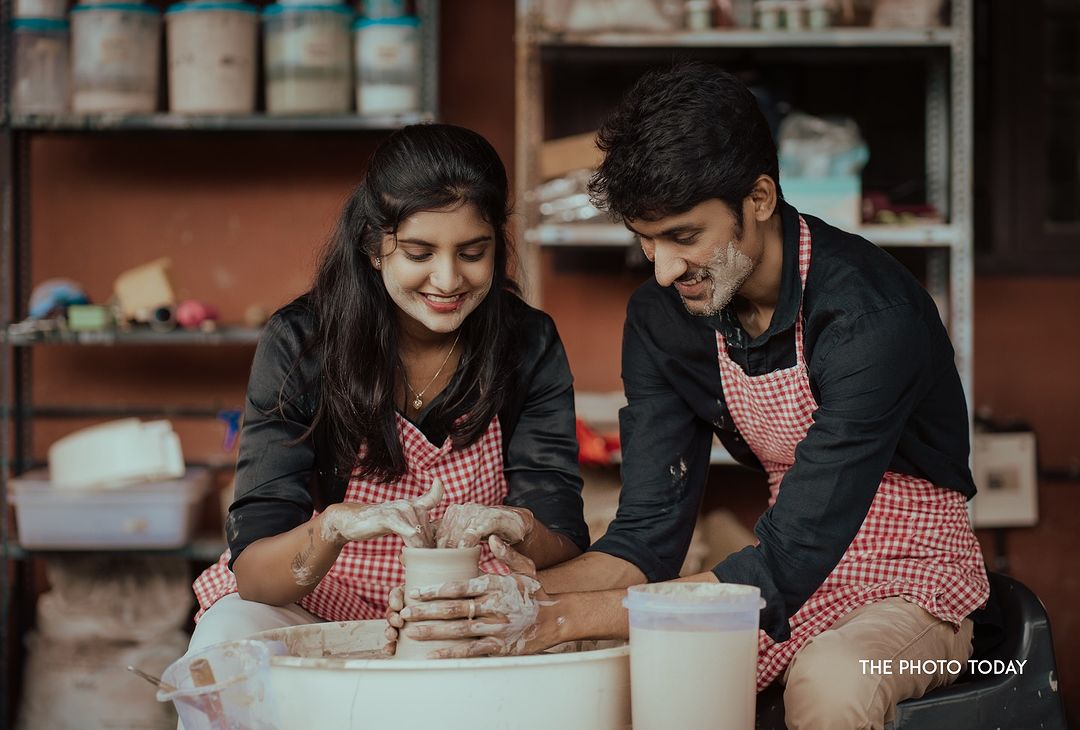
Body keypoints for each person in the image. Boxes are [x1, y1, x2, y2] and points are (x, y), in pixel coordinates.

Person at [391, 65, 990, 729]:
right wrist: (478, 601)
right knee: (604, 672)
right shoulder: (665, 319)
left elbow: (785, 565)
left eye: (684, 237)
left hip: (910, 588)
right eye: (646, 241)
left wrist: (555, 615)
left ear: (758, 198)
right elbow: (647, 541)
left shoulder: (871, 317)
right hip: (774, 573)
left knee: (832, 681)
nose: (665, 270)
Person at [186, 123, 589, 656]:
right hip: (321, 598)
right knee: (228, 639)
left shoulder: (527, 342)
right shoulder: (304, 343)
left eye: (472, 253)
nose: (447, 280)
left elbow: (563, 540)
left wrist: (517, 524)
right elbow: (258, 574)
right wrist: (332, 528)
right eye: (419, 254)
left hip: (463, 606)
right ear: (375, 246)